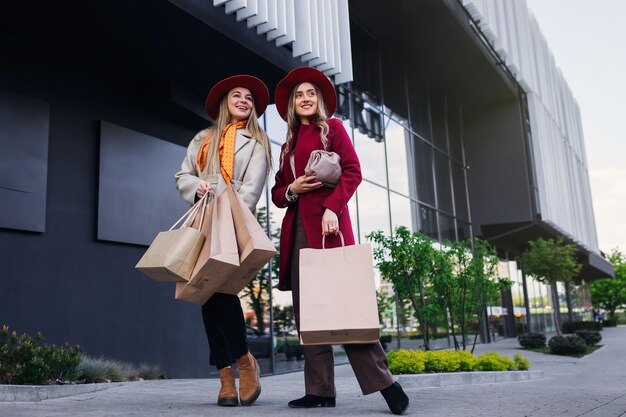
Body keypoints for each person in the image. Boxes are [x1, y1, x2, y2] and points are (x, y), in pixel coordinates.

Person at [271, 66, 410, 415]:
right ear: (292, 103)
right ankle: (319, 391)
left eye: (311, 94)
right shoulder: (287, 143)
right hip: (298, 230)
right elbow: (276, 192)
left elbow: (353, 170)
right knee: (310, 313)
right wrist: (291, 188)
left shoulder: (332, 129)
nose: (305, 98)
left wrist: (333, 207)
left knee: (344, 306)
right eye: (299, 95)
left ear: (318, 100)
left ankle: (386, 384)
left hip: (329, 227)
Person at [175, 74, 271, 407]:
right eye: (237, 96)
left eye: (249, 98)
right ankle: (225, 376)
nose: (244, 100)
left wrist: (225, 209)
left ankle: (244, 362)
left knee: (223, 292)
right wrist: (196, 187)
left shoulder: (257, 142)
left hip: (232, 221)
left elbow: (252, 189)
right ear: (225, 103)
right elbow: (183, 175)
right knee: (207, 296)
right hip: (203, 222)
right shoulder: (203, 138)